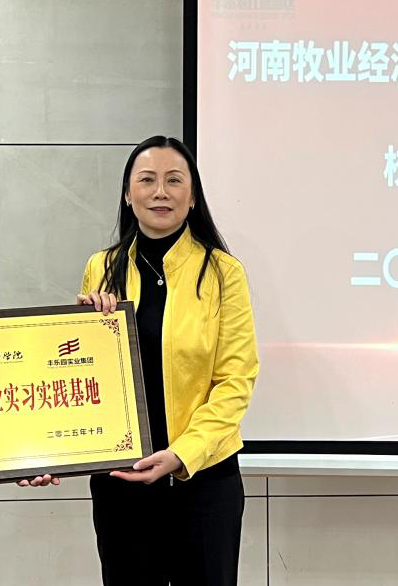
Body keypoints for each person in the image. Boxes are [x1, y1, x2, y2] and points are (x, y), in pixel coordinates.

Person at [20, 135, 259, 586]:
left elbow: (236, 380)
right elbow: (77, 380)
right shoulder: (101, 268)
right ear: (129, 195)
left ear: (193, 196)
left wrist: (181, 455)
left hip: (205, 482)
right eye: (147, 180)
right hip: (121, 484)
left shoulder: (223, 273)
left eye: (174, 180)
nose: (160, 192)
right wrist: (45, 448)